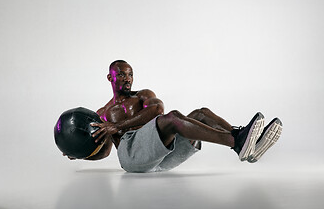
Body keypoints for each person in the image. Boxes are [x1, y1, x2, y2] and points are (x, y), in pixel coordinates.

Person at [64, 60, 283, 172]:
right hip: (133, 159)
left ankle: (243, 140)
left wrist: (118, 127)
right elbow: (104, 152)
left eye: (130, 74)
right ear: (109, 78)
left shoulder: (143, 95)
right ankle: (238, 142)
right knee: (174, 118)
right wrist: (82, 154)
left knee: (201, 113)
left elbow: (157, 110)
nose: (127, 78)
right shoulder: (102, 114)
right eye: (120, 74)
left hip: (163, 157)